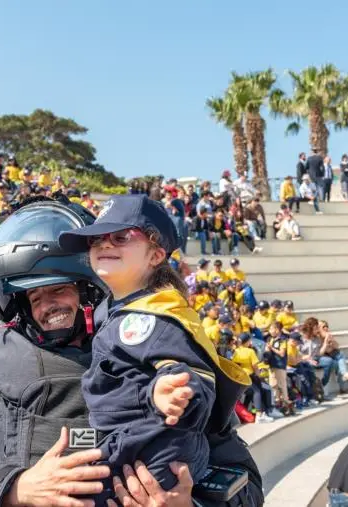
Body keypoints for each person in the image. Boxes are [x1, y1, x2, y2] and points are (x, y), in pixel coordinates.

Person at [0, 196, 264, 507]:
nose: (49, 306)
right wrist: (18, 489)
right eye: (35, 297)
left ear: (91, 292)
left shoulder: (153, 357)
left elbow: (242, 478)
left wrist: (185, 503)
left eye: (60, 290)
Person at [57, 194, 252, 497]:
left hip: (149, 455)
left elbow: (191, 377)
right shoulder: (116, 308)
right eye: (96, 240)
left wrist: (169, 393)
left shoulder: (153, 316)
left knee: (65, 493)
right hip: (119, 436)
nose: (105, 244)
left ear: (155, 255)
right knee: (63, 449)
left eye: (120, 237)